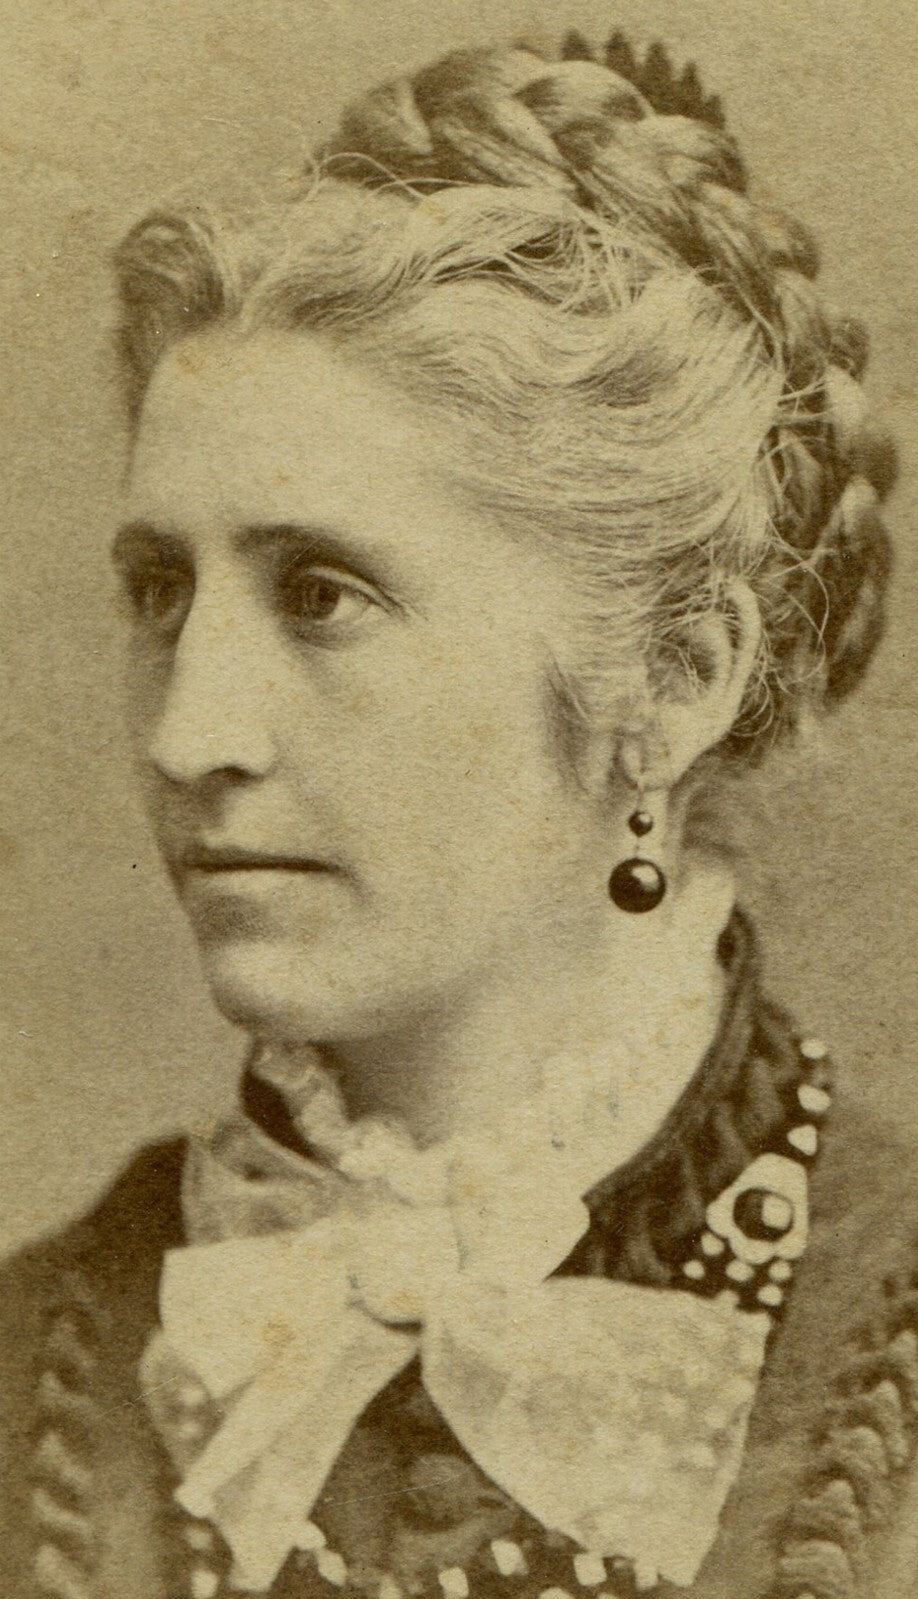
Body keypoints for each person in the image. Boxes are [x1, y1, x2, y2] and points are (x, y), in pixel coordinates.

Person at [1, 25, 914, 1599]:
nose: (188, 732)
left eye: (321, 594)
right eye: (160, 590)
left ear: (675, 677)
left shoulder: (878, 1333)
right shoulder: (35, 1365)